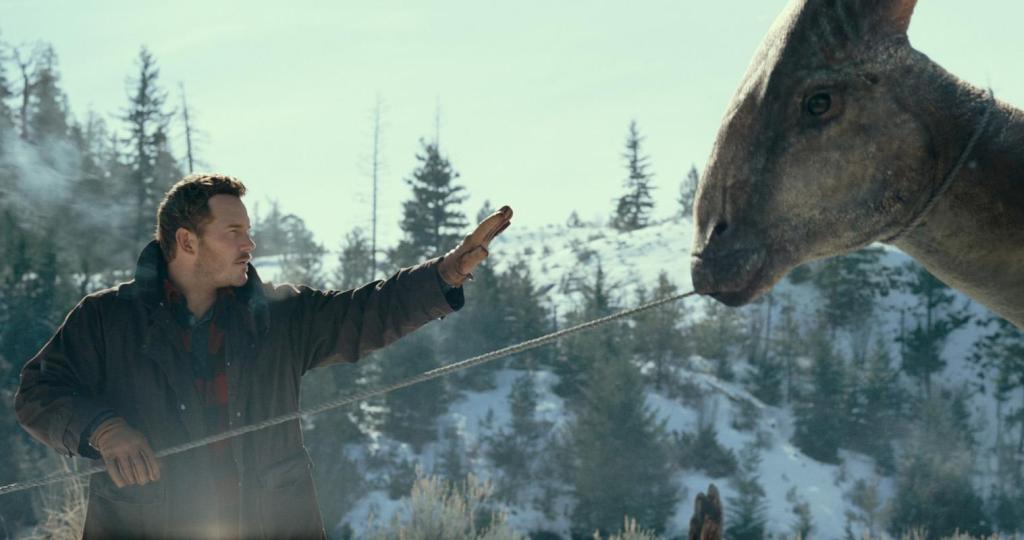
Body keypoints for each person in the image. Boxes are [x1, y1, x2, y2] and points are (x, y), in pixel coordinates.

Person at [13, 173, 513, 539]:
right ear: (186, 241)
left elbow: (368, 312)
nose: (249, 243)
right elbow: (37, 393)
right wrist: (103, 429)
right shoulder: (106, 319)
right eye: (233, 231)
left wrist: (445, 274)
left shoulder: (279, 315)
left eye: (248, 231)